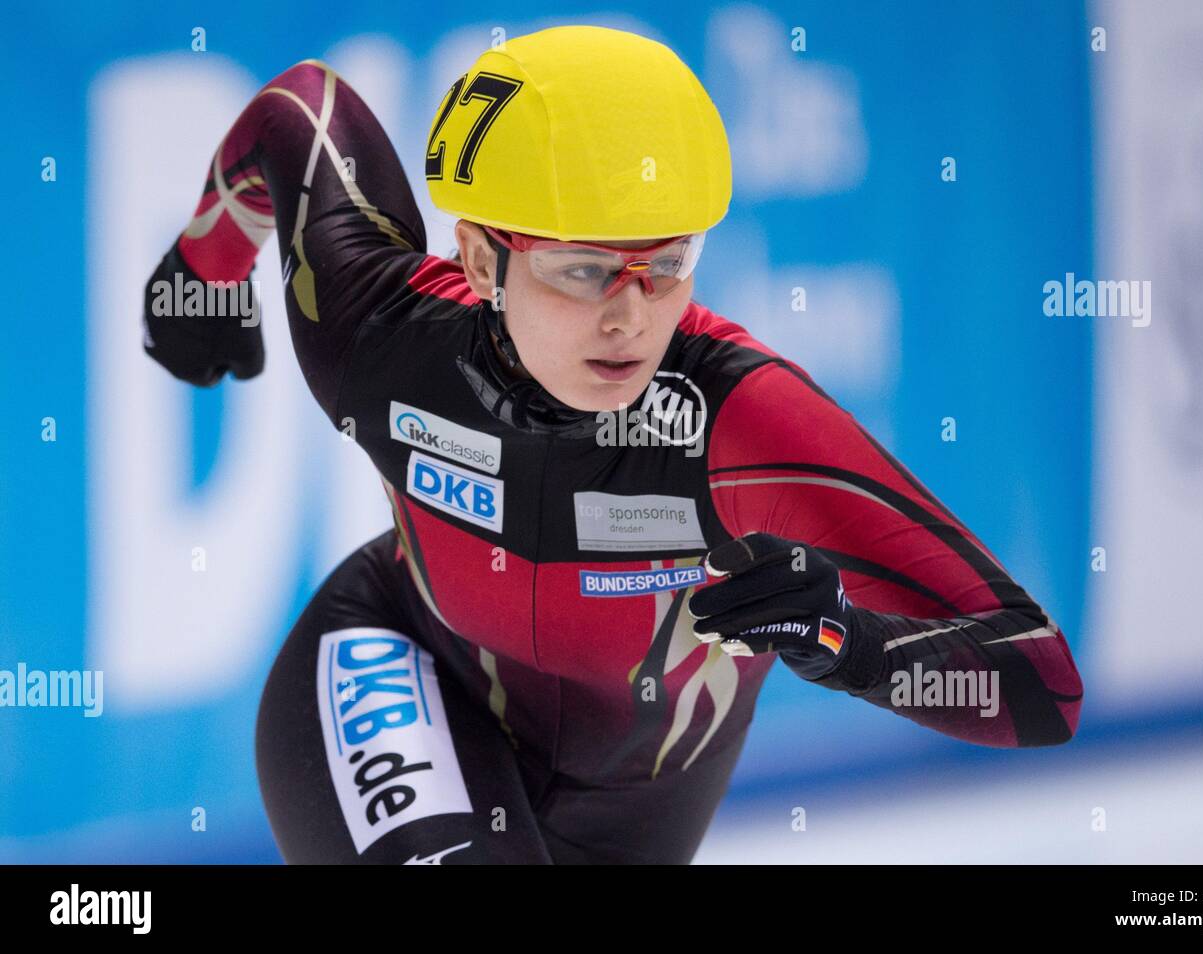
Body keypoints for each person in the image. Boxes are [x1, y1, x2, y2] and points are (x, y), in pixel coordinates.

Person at [141, 24, 1083, 865]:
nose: (630, 317)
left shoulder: (739, 421)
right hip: (399, 665)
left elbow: (1043, 683)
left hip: (634, 814)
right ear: (480, 261)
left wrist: (848, 643)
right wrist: (202, 267)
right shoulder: (382, 335)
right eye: (584, 269)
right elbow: (302, 108)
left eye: (665, 265)